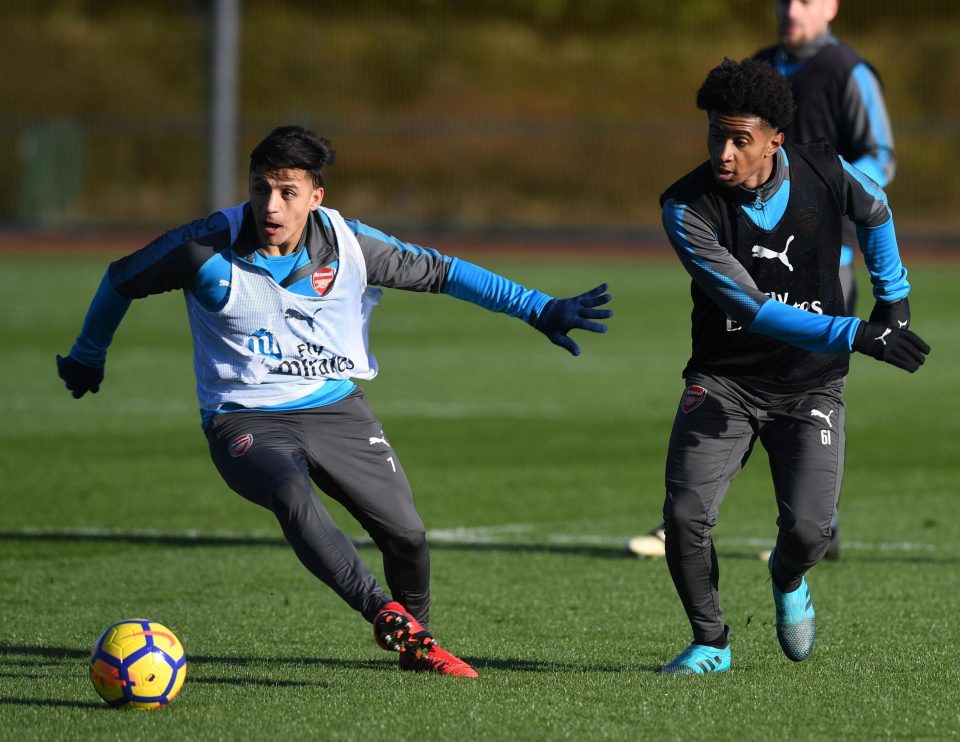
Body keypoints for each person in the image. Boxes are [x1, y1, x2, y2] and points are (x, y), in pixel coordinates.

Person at [56, 125, 613, 679]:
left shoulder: (351, 244)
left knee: (408, 537)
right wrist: (89, 353)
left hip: (336, 409)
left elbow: (445, 272)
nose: (270, 206)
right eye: (259, 189)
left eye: (287, 192)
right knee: (290, 493)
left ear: (316, 197)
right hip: (243, 419)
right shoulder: (203, 248)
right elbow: (121, 277)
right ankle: (383, 612)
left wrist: (537, 307)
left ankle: (417, 643)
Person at [654, 58, 928, 674]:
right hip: (724, 381)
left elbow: (876, 206)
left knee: (810, 532)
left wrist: (894, 295)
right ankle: (710, 641)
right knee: (684, 516)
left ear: (775, 140)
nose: (723, 152)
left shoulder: (824, 171)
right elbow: (750, 308)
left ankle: (787, 576)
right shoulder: (686, 208)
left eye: (739, 139)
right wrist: (857, 331)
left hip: (810, 385)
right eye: (715, 136)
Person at [628, 0, 897, 561]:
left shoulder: (850, 72)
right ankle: (690, 514)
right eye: (783, 0)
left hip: (824, 250)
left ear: (831, 7)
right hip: (747, 244)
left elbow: (879, 159)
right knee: (739, 356)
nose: (791, 9)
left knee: (808, 373)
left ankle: (815, 529)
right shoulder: (757, 69)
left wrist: (824, 192)